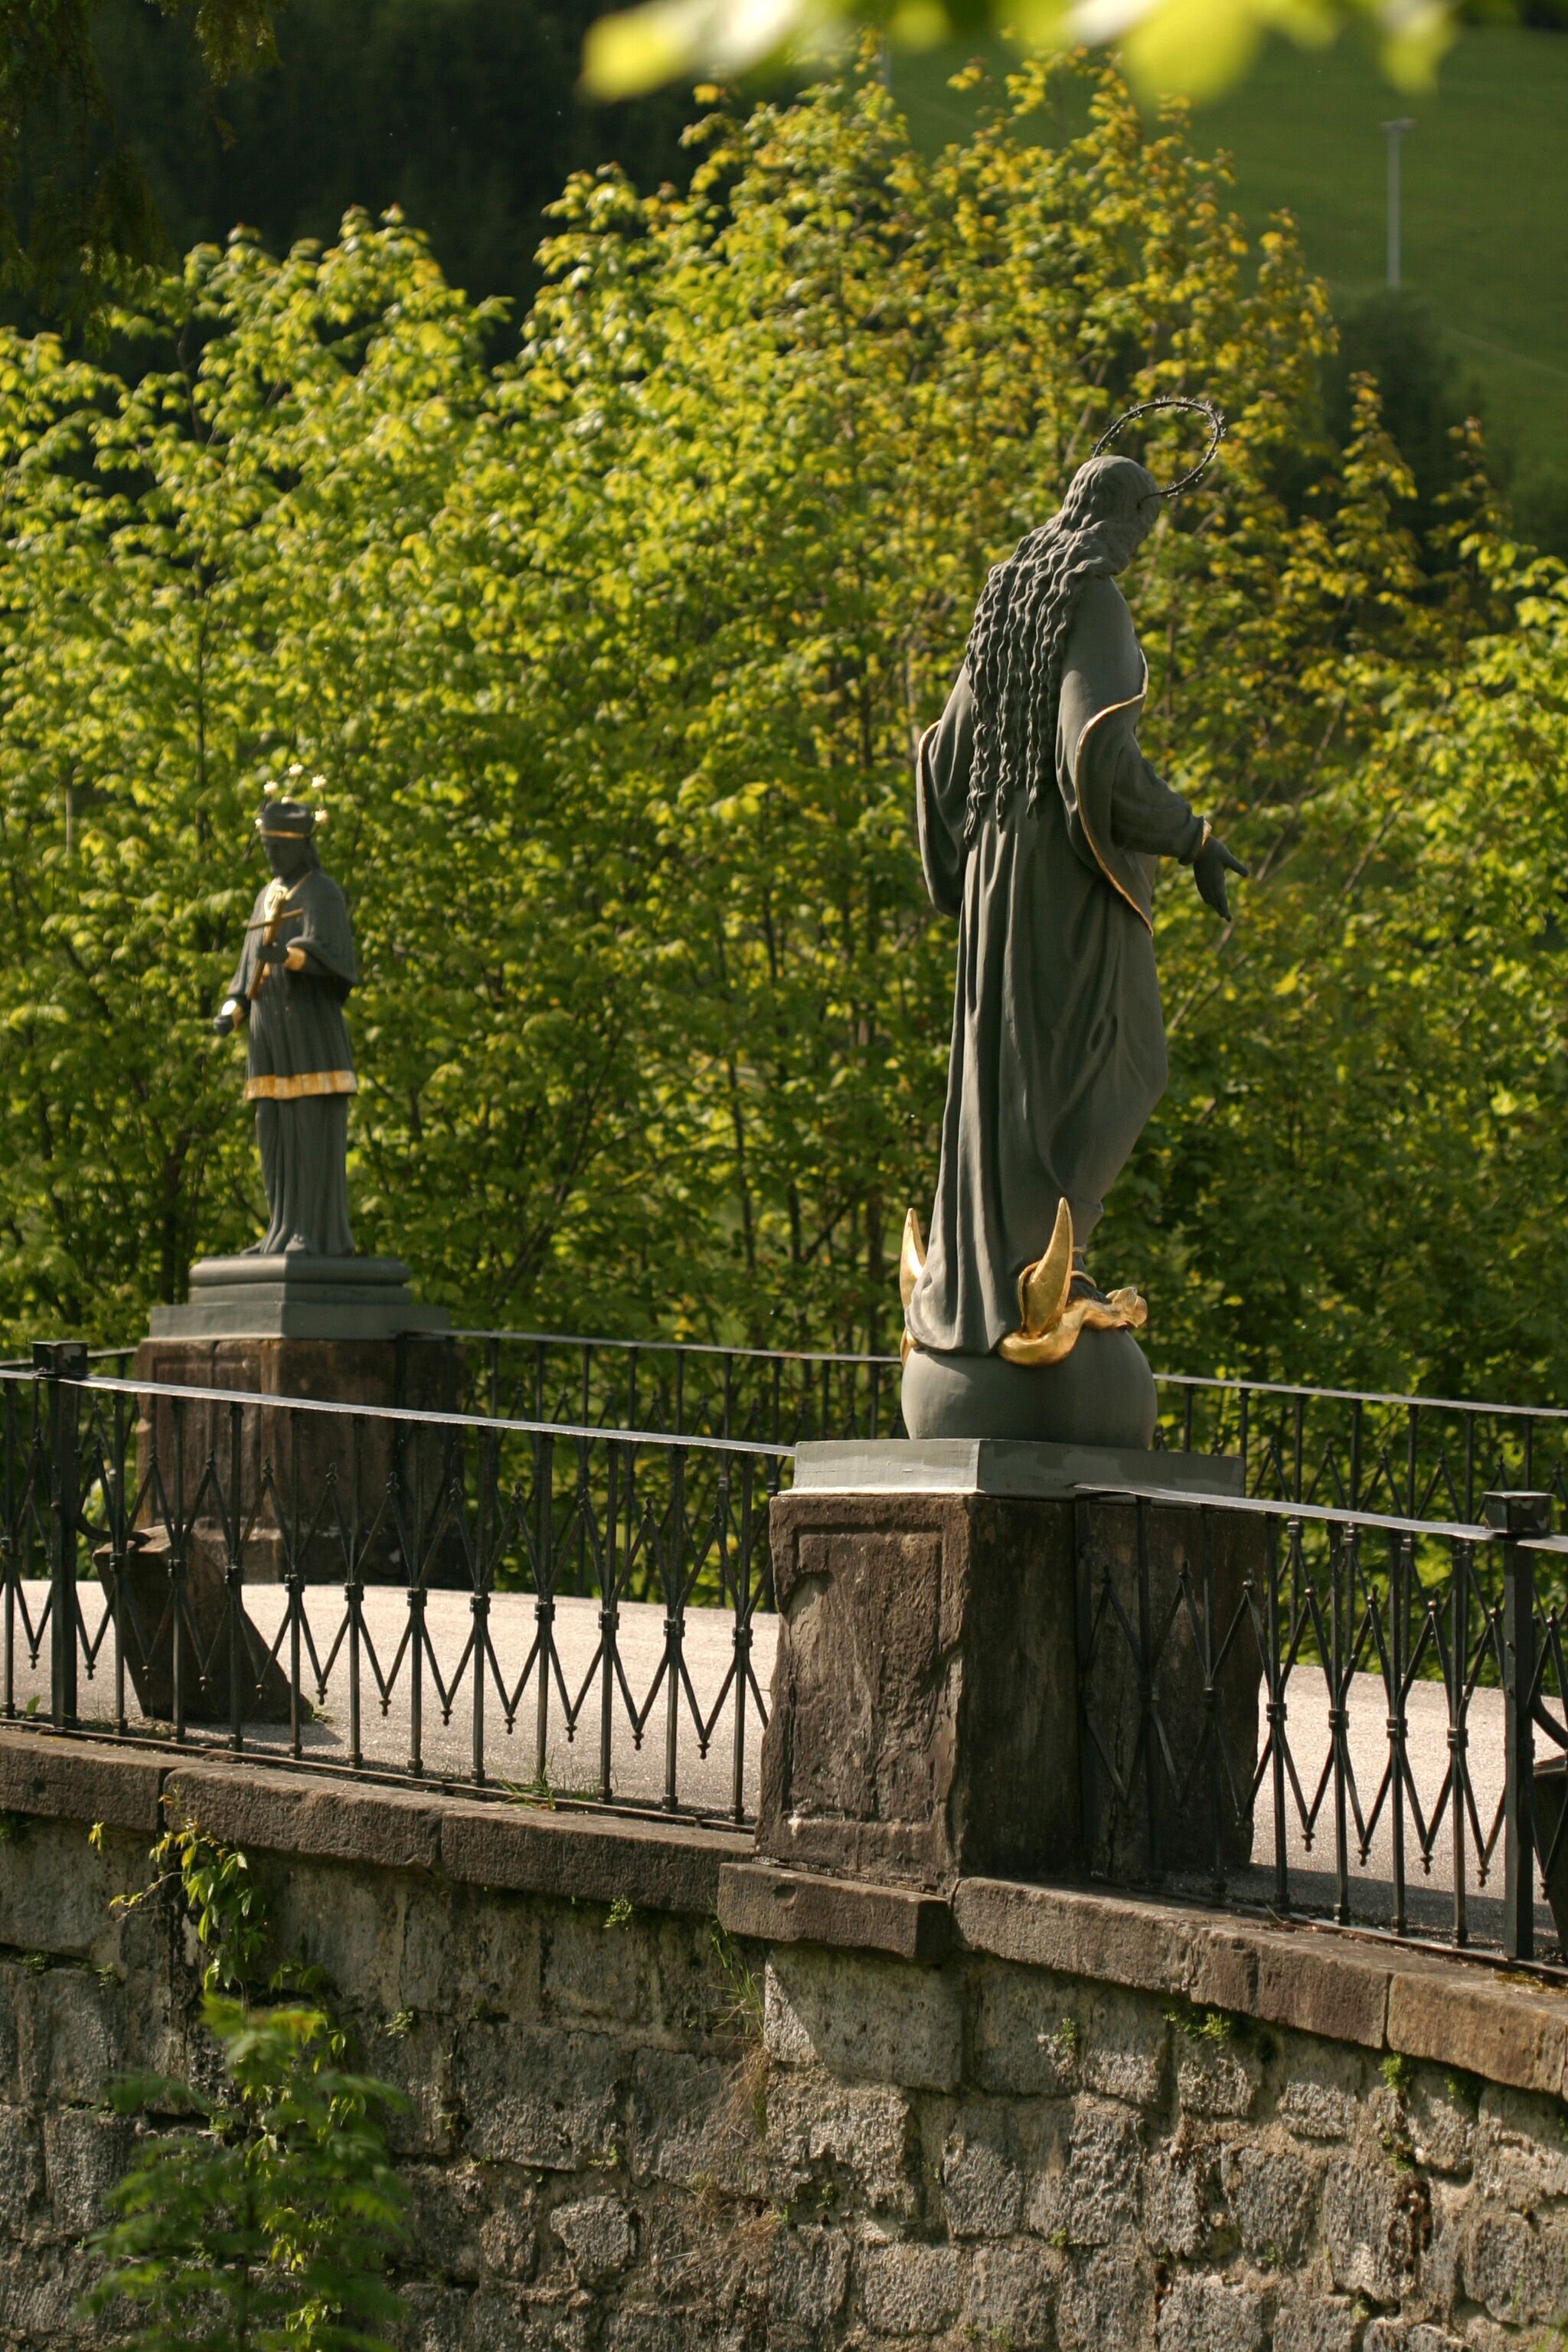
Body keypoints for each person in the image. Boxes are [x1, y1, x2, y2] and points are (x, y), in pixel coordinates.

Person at [903, 443, 1245, 1370]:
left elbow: (942, 758)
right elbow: (1093, 754)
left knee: (1009, 1073)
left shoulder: (1008, 607)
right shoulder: (1090, 598)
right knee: (1119, 1057)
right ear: (1124, 519)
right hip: (1061, 884)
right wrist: (1191, 836)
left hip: (995, 878)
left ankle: (988, 1279)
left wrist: (978, 855)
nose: (1140, 547)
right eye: (1143, 526)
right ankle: (1051, 1266)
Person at [213, 795, 358, 1257]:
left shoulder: (322, 893)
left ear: (299, 846)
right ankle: (278, 1229)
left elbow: (338, 962)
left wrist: (293, 957)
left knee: (309, 1128)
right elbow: (246, 974)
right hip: (269, 1035)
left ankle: (311, 1233)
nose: (271, 855)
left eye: (278, 846)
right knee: (272, 1127)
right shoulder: (266, 897)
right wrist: (232, 1010)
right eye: (266, 845)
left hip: (311, 1035)